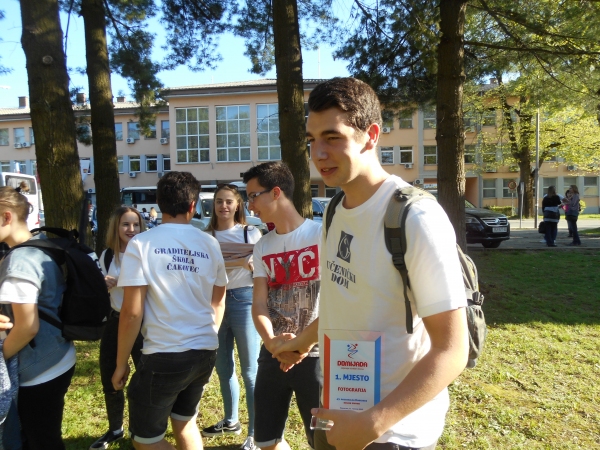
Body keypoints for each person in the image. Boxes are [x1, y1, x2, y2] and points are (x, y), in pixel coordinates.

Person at [275, 77, 469, 450]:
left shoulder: (416, 217)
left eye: (332, 137)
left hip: (392, 431)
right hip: (335, 412)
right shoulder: (333, 211)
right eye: (311, 139)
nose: (318, 153)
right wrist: (301, 342)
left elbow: (452, 350)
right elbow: (345, 302)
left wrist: (374, 423)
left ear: (371, 135)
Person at [112, 171, 228, 449]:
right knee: (185, 422)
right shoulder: (210, 243)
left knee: (145, 441)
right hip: (204, 351)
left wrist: (120, 364)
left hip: (164, 355)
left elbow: (131, 312)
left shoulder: (141, 244)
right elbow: (219, 299)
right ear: (193, 205)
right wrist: (207, 333)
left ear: (159, 202)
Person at [243, 161, 322, 450]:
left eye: (253, 196)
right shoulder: (263, 245)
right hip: (273, 354)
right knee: (265, 440)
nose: (250, 206)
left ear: (276, 192)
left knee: (322, 441)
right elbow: (259, 303)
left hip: (315, 355)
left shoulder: (321, 235)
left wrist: (301, 345)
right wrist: (272, 342)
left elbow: (340, 302)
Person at [0, 186, 76, 449]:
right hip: (56, 354)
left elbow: (28, 327)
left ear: (7, 217)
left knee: (41, 441)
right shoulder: (39, 246)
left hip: (40, 367)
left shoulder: (20, 261)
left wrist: (1, 356)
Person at [201, 184, 262, 450]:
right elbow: (204, 268)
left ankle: (256, 433)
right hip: (214, 301)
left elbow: (262, 266)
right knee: (223, 368)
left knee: (250, 371)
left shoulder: (251, 233)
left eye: (228, 201)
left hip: (244, 300)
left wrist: (237, 262)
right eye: (219, 201)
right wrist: (240, 260)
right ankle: (231, 420)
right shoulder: (205, 236)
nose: (223, 206)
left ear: (238, 205)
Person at [89, 206, 146, 449]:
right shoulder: (107, 255)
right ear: (116, 227)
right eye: (125, 224)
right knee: (110, 374)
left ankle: (141, 429)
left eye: (135, 224)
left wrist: (120, 281)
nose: (131, 229)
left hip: (142, 323)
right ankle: (115, 429)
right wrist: (102, 283)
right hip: (115, 320)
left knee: (144, 377)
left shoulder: (147, 252)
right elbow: (101, 289)